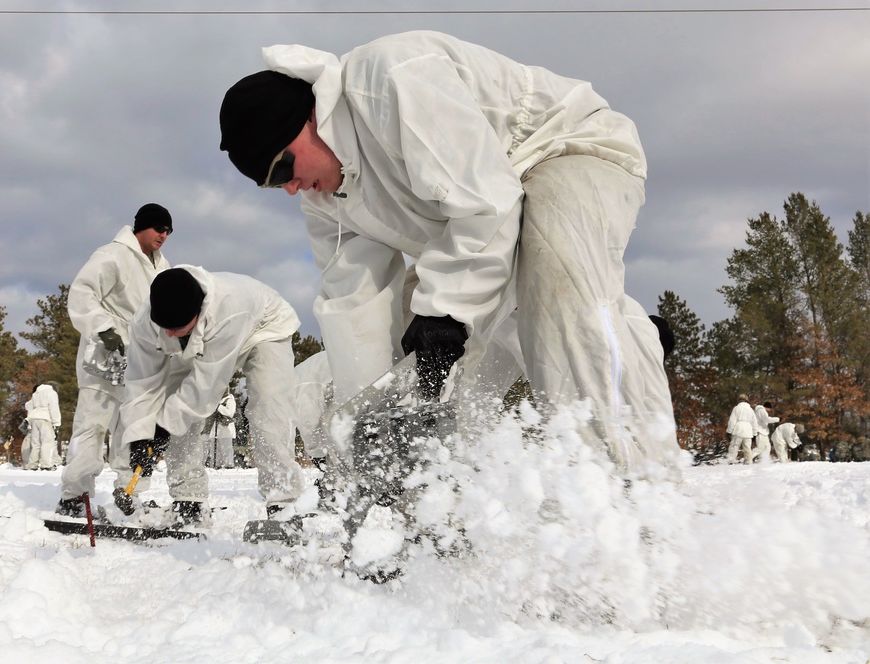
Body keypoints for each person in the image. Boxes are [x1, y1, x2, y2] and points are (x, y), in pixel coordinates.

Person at [219, 30, 679, 474]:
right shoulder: (325, 202)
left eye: (283, 168)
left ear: (311, 117)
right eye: (272, 184)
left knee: (558, 292)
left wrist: (446, 309)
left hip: (564, 149)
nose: (290, 188)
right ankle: (438, 500)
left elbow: (488, 203)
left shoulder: (393, 81)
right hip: (482, 221)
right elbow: (355, 306)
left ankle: (626, 489)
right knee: (413, 351)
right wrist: (369, 422)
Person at [119, 266, 306, 526]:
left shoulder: (229, 307)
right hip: (199, 340)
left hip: (264, 327)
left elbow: (206, 388)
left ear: (198, 311)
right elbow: (141, 382)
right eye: (165, 327)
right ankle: (189, 499)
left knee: (270, 407)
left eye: (177, 326)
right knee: (174, 404)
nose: (169, 333)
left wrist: (160, 427)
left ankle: (282, 505)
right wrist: (140, 434)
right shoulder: (146, 321)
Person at [55, 203, 172, 517]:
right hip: (107, 350)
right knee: (92, 424)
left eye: (168, 231)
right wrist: (102, 328)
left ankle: (128, 490)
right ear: (141, 226)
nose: (164, 234)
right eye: (159, 228)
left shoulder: (163, 268)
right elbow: (83, 291)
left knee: (134, 427)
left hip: (141, 357)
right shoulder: (113, 255)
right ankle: (74, 496)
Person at [24, 383, 62, 470]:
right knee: (47, 442)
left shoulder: (36, 394)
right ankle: (46, 465)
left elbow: (29, 406)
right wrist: (56, 423)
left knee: (35, 443)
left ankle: (32, 464)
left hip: (34, 418)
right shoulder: (51, 393)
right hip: (45, 418)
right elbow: (54, 408)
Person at [208, 392, 237, 469]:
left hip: (226, 430)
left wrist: (219, 407)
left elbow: (230, 413)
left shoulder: (230, 400)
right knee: (215, 450)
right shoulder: (217, 400)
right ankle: (216, 465)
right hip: (215, 429)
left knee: (227, 449)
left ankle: (228, 465)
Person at [725, 394, 757, 464]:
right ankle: (749, 462)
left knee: (734, 447)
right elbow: (754, 422)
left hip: (738, 430)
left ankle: (731, 461)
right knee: (747, 449)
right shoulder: (751, 410)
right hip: (748, 431)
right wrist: (755, 434)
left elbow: (732, 421)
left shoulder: (736, 408)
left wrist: (729, 431)